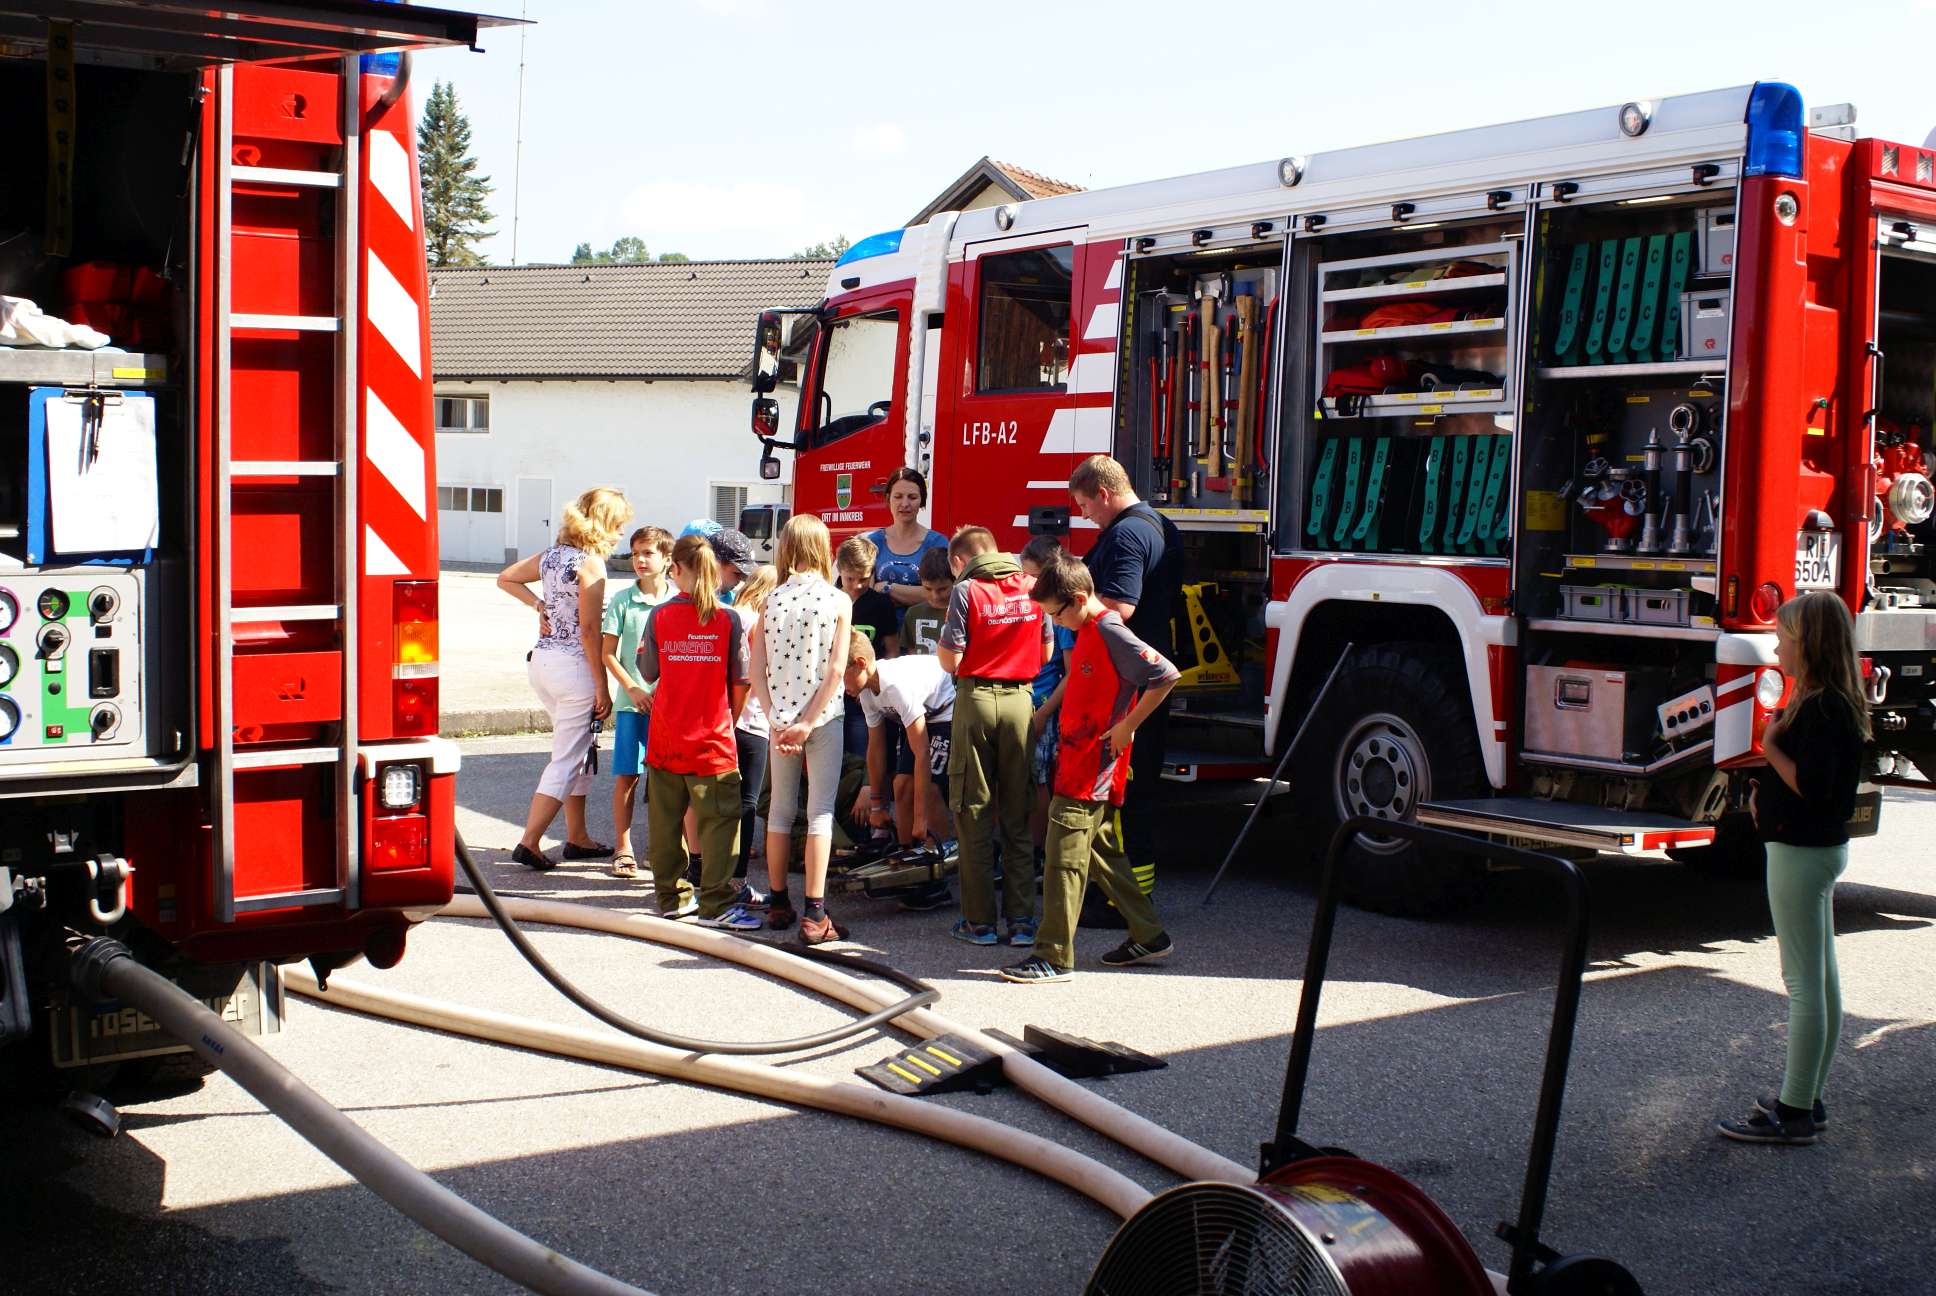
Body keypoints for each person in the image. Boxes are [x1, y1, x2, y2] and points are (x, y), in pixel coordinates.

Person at [1716, 591, 1868, 1146]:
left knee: (1802, 984)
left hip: (1800, 853)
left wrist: (1769, 743)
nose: (1777, 646)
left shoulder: (1822, 708)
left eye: (1784, 637)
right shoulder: (1831, 702)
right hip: (1813, 850)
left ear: (1810, 644)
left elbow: (1813, 785)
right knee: (1820, 980)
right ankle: (1808, 1097)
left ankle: (1794, 1110)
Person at [1002, 556, 1179, 984]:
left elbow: (1165, 675)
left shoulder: (1109, 629)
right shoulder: (1087, 628)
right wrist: (1046, 712)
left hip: (1090, 765)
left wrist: (1128, 726)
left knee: (1062, 860)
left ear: (1080, 599)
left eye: (1057, 614)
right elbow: (1080, 678)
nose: (1056, 622)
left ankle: (1053, 956)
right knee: (1102, 854)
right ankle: (1149, 934)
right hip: (1079, 759)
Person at [1069, 454, 1183, 922]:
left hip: (1129, 684)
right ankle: (1131, 894)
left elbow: (1119, 606)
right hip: (1146, 674)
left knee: (1121, 794)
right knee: (1137, 793)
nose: (1084, 515)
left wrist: (1070, 603)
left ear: (1103, 493)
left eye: (1084, 505)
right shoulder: (1159, 524)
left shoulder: (1126, 535)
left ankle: (1121, 902)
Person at [497, 487, 628, 870]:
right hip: (574, 670)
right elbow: (589, 630)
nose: (621, 532)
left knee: (578, 751)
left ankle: (577, 836)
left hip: (543, 662)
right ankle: (530, 841)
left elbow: (506, 578)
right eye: (619, 524)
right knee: (567, 759)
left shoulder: (552, 556)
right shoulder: (590, 564)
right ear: (604, 523)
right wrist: (602, 685)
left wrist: (539, 604)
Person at [936, 525, 1053, 947]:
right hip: (1021, 701)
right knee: (1018, 815)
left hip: (977, 701)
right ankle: (1021, 922)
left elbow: (950, 660)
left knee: (974, 815)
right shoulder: (1034, 586)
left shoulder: (966, 591)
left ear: (958, 561)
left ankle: (979, 923)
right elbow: (1046, 653)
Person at [636, 534, 760, 930]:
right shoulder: (729, 619)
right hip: (712, 741)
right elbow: (741, 683)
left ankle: (672, 899)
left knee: (665, 824)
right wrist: (727, 720)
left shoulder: (659, 616)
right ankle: (716, 904)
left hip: (666, 738)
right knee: (721, 824)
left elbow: (647, 671)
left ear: (675, 569)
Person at [753, 515, 854, 944]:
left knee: (779, 810)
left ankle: (778, 902)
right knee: (820, 812)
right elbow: (836, 669)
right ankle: (815, 913)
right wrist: (809, 720)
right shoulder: (838, 600)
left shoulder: (770, 600)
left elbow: (756, 671)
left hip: (779, 720)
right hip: (824, 717)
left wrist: (776, 718)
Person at [599, 525, 675, 879]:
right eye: (635, 553)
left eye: (648, 553)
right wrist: (632, 688)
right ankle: (623, 847)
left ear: (667, 559)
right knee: (627, 777)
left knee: (664, 781)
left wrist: (660, 690)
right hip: (632, 706)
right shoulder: (622, 600)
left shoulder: (677, 601)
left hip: (667, 706)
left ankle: (661, 848)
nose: (640, 560)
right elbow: (608, 653)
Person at [845, 630, 953, 852]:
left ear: (861, 664)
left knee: (930, 788)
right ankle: (907, 853)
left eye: (840, 675)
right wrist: (877, 807)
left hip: (946, 711)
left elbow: (922, 752)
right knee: (901, 785)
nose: (838, 684)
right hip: (923, 714)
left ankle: (938, 852)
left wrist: (921, 819)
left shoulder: (895, 686)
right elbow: (876, 748)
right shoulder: (866, 692)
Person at [1020, 535, 1079, 859]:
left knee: (1036, 780)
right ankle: (1014, 849)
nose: (1027, 583)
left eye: (1034, 576)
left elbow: (1072, 674)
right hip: (1017, 702)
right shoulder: (1025, 605)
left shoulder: (1061, 617)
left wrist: (1043, 715)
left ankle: (1039, 851)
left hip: (1041, 705)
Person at [727, 564, 778, 907]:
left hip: (723, 721)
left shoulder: (729, 615)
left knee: (720, 802)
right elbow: (750, 679)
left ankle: (709, 872)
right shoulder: (759, 622)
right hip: (752, 721)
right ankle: (738, 880)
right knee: (747, 802)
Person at [865, 466, 950, 621]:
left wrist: (887, 588)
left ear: (922, 500)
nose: (905, 504)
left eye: (912, 497)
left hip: (924, 632)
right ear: (888, 498)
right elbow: (866, 595)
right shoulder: (872, 543)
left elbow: (941, 594)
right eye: (898, 496)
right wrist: (914, 595)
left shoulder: (938, 543)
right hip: (882, 633)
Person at [837, 534, 900, 657]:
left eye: (863, 579)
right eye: (850, 578)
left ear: (872, 572)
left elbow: (892, 651)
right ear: (839, 570)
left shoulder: (882, 604)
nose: (857, 585)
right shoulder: (829, 602)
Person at [898, 546, 953, 656]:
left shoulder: (964, 613)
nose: (935, 596)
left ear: (956, 581)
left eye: (942, 589)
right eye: (928, 588)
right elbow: (911, 653)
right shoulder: (913, 613)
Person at [710, 527, 759, 604]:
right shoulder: (693, 601)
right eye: (737, 573)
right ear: (714, 564)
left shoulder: (732, 600)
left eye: (744, 574)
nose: (741, 579)